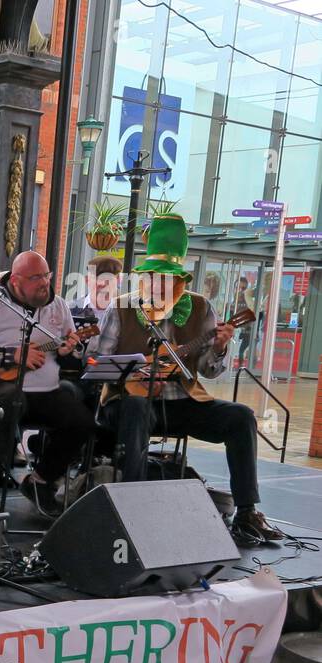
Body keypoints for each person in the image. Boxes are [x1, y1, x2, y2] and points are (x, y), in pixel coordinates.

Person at [92, 215, 283, 546]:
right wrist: (138, 371)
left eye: (165, 278)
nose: (156, 284)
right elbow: (95, 362)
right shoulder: (122, 308)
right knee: (137, 406)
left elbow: (209, 372)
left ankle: (246, 512)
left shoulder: (200, 307)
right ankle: (132, 507)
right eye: (151, 277)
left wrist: (220, 348)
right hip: (127, 403)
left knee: (241, 416)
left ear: (180, 281)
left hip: (182, 401)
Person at [0, 250, 97, 513]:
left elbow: (68, 356)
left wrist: (69, 350)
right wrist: (12, 355)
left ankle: (41, 480)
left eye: (46, 276)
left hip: (45, 391)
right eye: (36, 278)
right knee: (7, 403)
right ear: (15, 281)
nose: (44, 283)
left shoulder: (57, 306)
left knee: (82, 421)